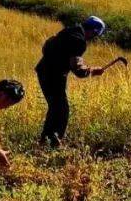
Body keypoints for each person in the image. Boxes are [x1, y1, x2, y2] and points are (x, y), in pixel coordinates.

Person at [36, 16, 108, 147]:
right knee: (61, 110)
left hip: (44, 71)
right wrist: (92, 71)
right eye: (95, 35)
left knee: (55, 108)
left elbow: (47, 45)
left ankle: (44, 142)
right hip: (54, 75)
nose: (93, 38)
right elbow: (79, 70)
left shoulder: (68, 31)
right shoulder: (79, 41)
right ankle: (53, 144)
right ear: (94, 31)